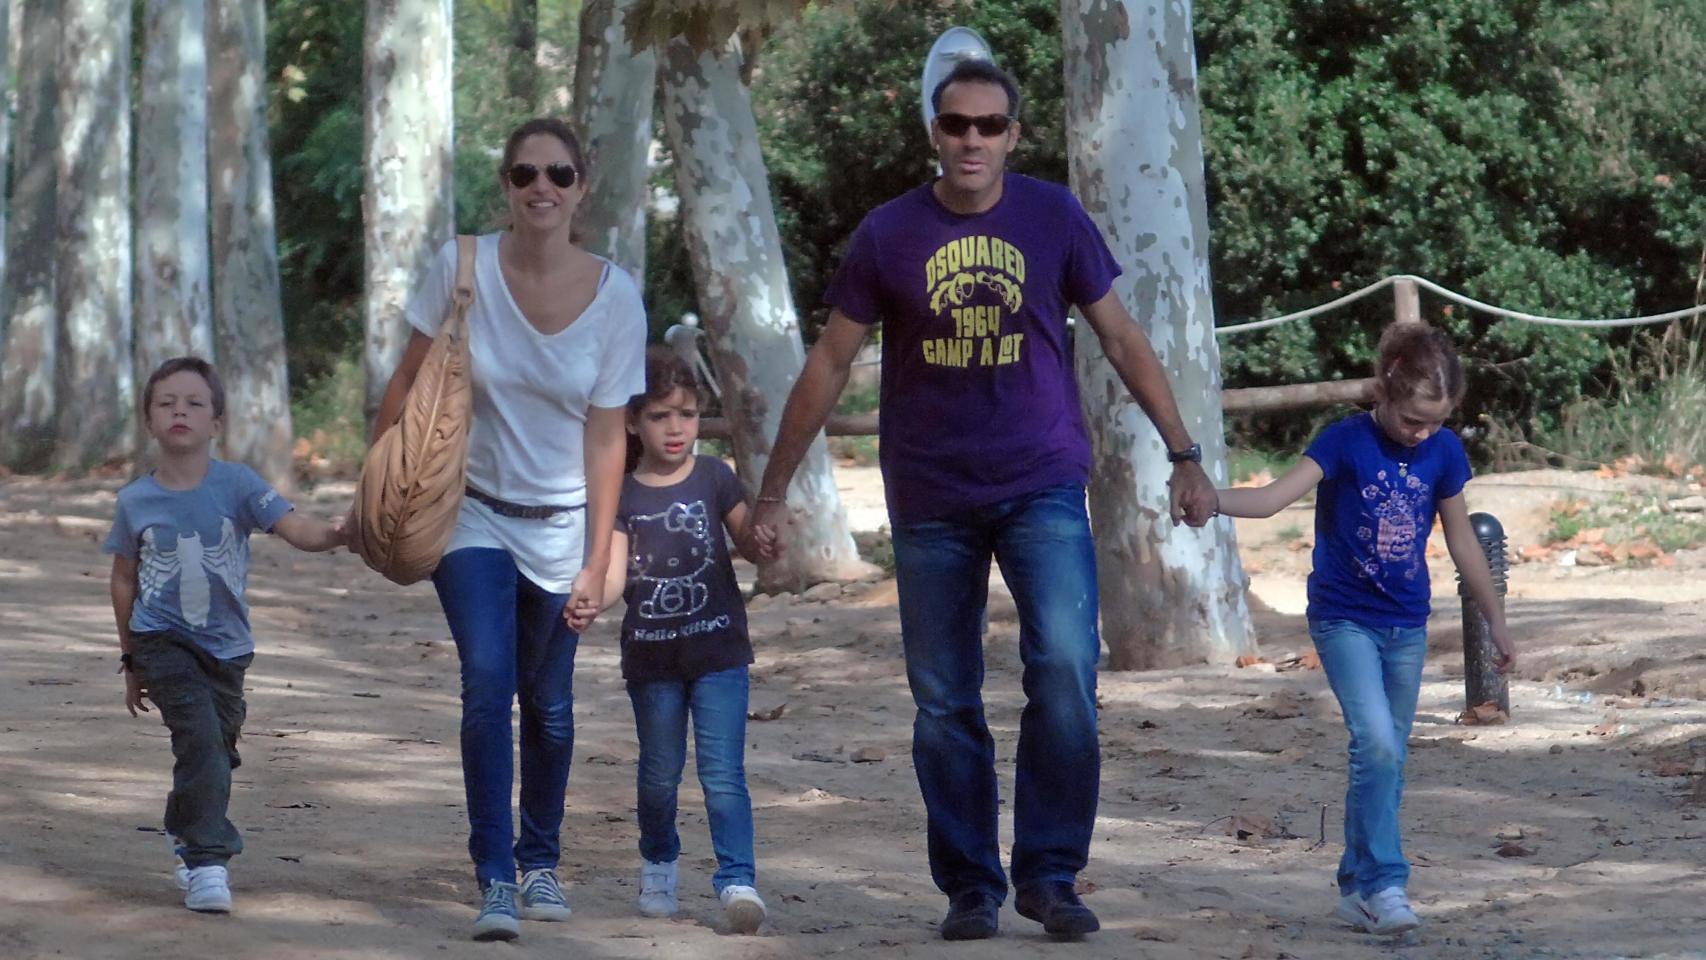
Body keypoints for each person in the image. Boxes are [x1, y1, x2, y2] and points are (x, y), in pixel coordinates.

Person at [749, 59, 1217, 942]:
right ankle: (970, 884)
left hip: (1039, 482)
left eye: (989, 126)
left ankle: (1050, 874)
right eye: (957, 124)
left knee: (1067, 671)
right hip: (930, 496)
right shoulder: (888, 234)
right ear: (935, 130)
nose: (972, 140)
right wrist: (773, 490)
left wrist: (1186, 454)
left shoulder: (1053, 216)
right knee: (944, 701)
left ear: (1013, 135)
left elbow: (1119, 335)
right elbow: (828, 362)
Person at [372, 117, 646, 941]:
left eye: (558, 175)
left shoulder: (615, 296)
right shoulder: (464, 269)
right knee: (489, 682)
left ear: (580, 189)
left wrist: (599, 561)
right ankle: (494, 874)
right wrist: (374, 496)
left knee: (550, 704)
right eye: (526, 173)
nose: (541, 188)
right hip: (473, 511)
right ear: (506, 183)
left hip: (565, 526)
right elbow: (408, 384)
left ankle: (541, 861)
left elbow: (609, 438)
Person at [1213, 323, 1517, 935]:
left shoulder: (1444, 450)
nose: (1421, 433)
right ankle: (1386, 882)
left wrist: (1496, 620)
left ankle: (1355, 889)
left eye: (1434, 422)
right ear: (1384, 390)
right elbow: (1274, 498)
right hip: (1343, 618)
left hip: (1407, 625)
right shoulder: (1344, 442)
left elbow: (1461, 539)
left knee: (1387, 757)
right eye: (1411, 420)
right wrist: (1206, 498)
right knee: (1376, 743)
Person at [104, 357, 346, 914]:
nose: (180, 411)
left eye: (194, 403)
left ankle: (182, 823)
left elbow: (297, 529)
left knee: (217, 750)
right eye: (166, 403)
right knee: (202, 745)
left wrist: (340, 533)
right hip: (160, 638)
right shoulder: (134, 500)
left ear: (216, 423)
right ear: (149, 421)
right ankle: (207, 861)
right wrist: (131, 657)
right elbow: (123, 578)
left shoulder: (238, 485)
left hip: (227, 647)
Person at [597, 348, 768, 933]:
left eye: (688, 415)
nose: (676, 429)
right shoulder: (619, 492)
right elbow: (616, 577)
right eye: (660, 416)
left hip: (721, 653)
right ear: (631, 421)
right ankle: (658, 863)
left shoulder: (716, 476)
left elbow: (749, 540)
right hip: (652, 660)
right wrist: (590, 593)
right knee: (659, 773)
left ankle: (737, 880)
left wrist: (768, 540)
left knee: (724, 774)